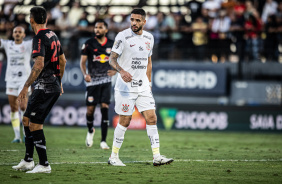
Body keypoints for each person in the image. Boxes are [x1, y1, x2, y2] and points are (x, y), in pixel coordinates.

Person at [108, 8, 173, 166]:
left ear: (144, 21)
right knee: (125, 120)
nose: (134, 23)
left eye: (138, 20)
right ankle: (113, 157)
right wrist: (121, 71)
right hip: (125, 87)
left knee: (152, 118)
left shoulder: (149, 38)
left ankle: (157, 156)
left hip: (143, 86)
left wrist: (149, 83)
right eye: (132, 20)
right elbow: (111, 59)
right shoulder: (123, 36)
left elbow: (148, 63)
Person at [12, 6, 67, 173]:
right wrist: (59, 80)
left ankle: (44, 164)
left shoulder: (39, 37)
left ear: (31, 19)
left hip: (45, 87)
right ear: (46, 20)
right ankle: (28, 160)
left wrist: (26, 86)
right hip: (49, 85)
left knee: (35, 125)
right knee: (26, 120)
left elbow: (39, 64)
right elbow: (63, 60)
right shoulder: (53, 35)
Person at [80, 19, 116, 149]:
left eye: (100, 27)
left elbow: (120, 59)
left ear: (106, 30)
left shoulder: (112, 44)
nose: (97, 30)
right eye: (96, 27)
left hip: (106, 81)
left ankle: (103, 141)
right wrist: (85, 74)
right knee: (90, 111)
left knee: (105, 107)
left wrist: (116, 70)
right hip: (92, 82)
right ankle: (90, 130)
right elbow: (82, 62)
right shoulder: (89, 44)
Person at [0, 26, 32, 143]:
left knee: (23, 107)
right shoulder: (8, 44)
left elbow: (40, 38)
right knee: (14, 108)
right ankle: (17, 136)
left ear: (24, 35)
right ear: (12, 34)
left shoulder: (28, 44)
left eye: (20, 32)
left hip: (24, 80)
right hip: (11, 79)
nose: (17, 34)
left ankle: (26, 133)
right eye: (15, 32)